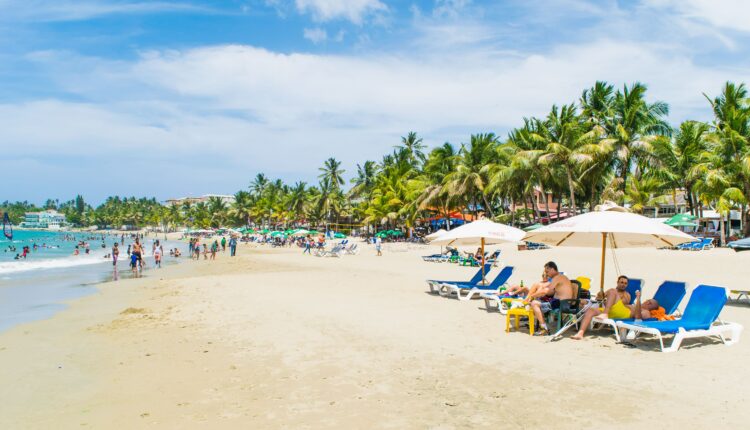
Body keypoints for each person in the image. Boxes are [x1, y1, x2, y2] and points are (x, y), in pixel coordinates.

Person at [572, 276, 660, 340]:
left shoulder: (645, 311)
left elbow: (638, 318)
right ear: (617, 282)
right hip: (612, 310)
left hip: (623, 313)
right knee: (591, 310)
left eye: (650, 303)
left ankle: (605, 314)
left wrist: (638, 300)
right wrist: (600, 296)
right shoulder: (634, 304)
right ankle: (580, 333)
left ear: (652, 308)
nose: (647, 301)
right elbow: (599, 298)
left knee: (612, 291)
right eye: (648, 300)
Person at [527, 261, 574, 336]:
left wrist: (532, 295)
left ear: (552, 269)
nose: (547, 274)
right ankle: (541, 325)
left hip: (562, 303)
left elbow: (547, 290)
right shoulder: (560, 277)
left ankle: (544, 328)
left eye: (547, 271)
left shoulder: (558, 277)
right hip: (561, 302)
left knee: (534, 303)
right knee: (537, 302)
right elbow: (551, 291)